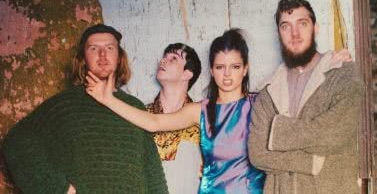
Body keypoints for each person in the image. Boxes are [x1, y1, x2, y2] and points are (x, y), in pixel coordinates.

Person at [86, 29, 267, 193]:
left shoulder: (261, 104)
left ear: (245, 69)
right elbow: (153, 122)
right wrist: (108, 99)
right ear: (212, 70)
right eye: (220, 67)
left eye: (235, 67)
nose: (227, 74)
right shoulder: (200, 110)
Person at [2, 24, 168, 194]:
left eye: (110, 48)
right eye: (94, 48)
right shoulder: (64, 106)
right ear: (83, 58)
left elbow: (152, 172)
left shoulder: (134, 106)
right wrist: (59, 188)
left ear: (119, 57)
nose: (102, 55)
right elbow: (15, 143)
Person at [247, 0, 363, 194]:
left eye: (302, 23)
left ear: (315, 28)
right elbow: (257, 154)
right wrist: (311, 162)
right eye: (286, 26)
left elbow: (333, 134)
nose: (295, 33)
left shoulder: (343, 76)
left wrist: (277, 131)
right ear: (279, 33)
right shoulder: (268, 90)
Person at [148, 43, 202, 194]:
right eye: (164, 56)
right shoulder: (142, 114)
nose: (163, 61)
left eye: (173, 58)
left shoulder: (202, 119)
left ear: (187, 74)